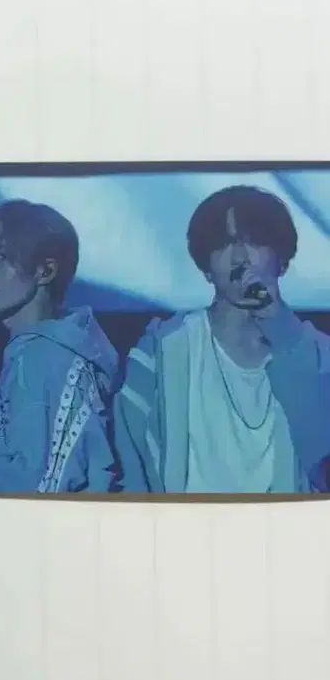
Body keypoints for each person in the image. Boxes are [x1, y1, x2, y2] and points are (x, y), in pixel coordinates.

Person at [113, 184, 330, 494]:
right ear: (206, 269)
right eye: (224, 245)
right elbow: (130, 467)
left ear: (282, 262)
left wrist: (283, 330)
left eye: (255, 242)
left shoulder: (317, 354)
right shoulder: (162, 351)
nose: (240, 258)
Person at [0, 199, 120, 494]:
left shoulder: (47, 359)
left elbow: (40, 488)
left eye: (1, 257)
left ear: (45, 271)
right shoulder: (37, 351)